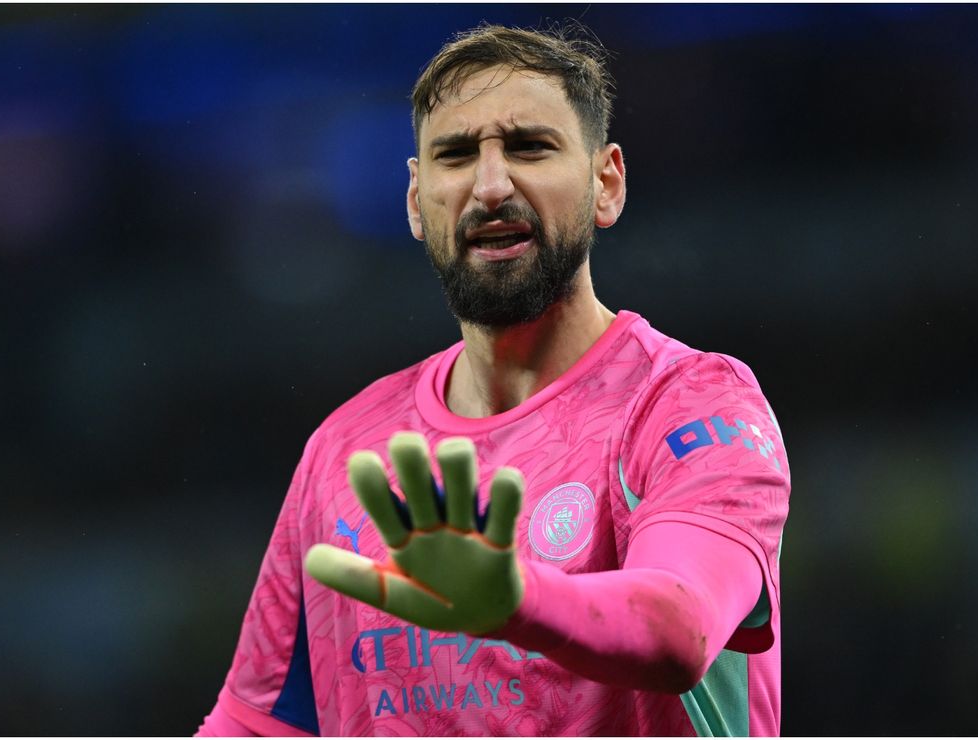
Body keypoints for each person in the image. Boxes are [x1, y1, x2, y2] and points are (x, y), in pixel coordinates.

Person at [197, 22, 789, 737]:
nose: (490, 185)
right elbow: (253, 724)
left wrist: (516, 601)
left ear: (606, 184)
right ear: (416, 202)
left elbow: (680, 627)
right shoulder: (344, 449)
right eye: (455, 155)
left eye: (529, 147)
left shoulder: (689, 403)